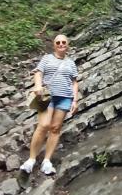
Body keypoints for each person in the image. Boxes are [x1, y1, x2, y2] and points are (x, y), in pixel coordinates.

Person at [21, 34, 79, 175]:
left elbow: (74, 82)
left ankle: (47, 161)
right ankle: (31, 160)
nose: (61, 44)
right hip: (48, 97)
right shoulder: (47, 58)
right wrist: (38, 86)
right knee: (44, 125)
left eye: (63, 42)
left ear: (67, 45)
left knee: (55, 128)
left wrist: (75, 100)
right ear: (54, 45)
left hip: (65, 97)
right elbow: (38, 73)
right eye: (58, 42)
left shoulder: (71, 63)